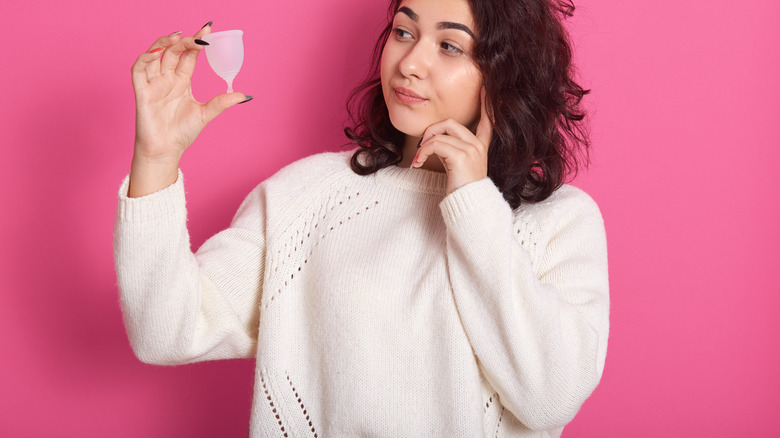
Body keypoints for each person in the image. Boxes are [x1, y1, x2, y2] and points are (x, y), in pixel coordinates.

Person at [114, 0, 609, 436]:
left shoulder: (559, 222)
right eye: (403, 31)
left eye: (451, 47)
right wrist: (155, 158)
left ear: (505, 74)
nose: (411, 63)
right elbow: (166, 332)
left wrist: (474, 203)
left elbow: (549, 397)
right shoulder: (304, 195)